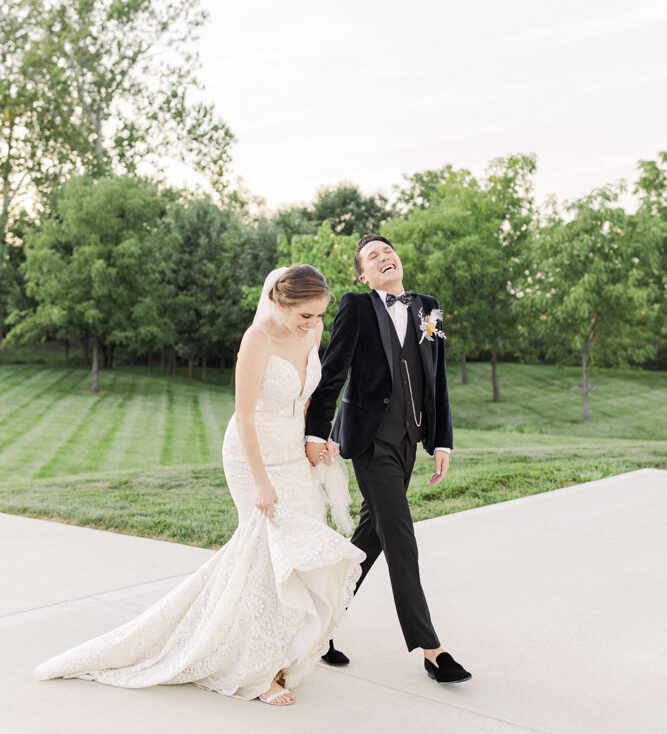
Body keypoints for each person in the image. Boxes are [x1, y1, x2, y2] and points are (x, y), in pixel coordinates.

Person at [34, 265, 364, 707]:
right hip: (252, 457)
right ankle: (257, 671)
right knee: (262, 554)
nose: (313, 325)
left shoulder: (309, 334)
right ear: (280, 303)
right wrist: (263, 483)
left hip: (289, 453)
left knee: (294, 557)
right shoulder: (258, 339)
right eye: (305, 315)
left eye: (319, 316)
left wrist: (312, 443)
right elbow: (244, 417)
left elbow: (302, 398)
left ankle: (278, 652)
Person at [305, 235, 472, 684]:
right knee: (400, 536)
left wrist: (441, 442)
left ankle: (317, 629)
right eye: (373, 256)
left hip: (409, 441)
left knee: (368, 541)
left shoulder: (427, 307)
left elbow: (436, 380)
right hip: (369, 441)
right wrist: (314, 434)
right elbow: (333, 372)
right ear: (363, 275)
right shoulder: (357, 307)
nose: (384, 257)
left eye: (388, 251)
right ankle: (431, 649)